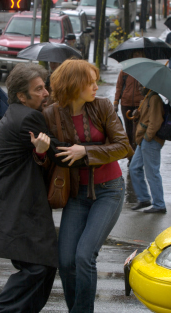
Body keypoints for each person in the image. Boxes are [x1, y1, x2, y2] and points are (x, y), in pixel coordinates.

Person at [0, 63, 84, 313]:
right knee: (38, 267)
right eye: (38, 89)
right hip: (15, 206)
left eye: (44, 86)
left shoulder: (16, 112)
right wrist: (92, 151)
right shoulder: (28, 117)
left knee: (43, 267)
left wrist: (40, 153)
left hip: (14, 203)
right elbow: (60, 153)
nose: (46, 92)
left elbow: (36, 154)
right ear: (21, 96)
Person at [43, 59, 133, 312]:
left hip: (109, 191)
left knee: (84, 256)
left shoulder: (102, 106)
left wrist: (86, 151)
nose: (96, 86)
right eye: (90, 82)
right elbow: (47, 155)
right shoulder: (51, 114)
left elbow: (125, 146)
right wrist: (41, 151)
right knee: (66, 260)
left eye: (96, 81)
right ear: (73, 84)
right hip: (76, 193)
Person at [129, 85, 167, 214]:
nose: (139, 88)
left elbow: (155, 121)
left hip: (150, 140)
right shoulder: (146, 99)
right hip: (143, 140)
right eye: (138, 85)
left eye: (141, 85)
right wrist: (137, 115)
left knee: (152, 173)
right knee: (134, 168)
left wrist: (147, 137)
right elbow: (145, 118)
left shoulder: (154, 99)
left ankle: (159, 204)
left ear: (149, 86)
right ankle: (144, 198)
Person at [114, 50, 146, 157]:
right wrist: (116, 102)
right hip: (126, 104)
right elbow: (119, 86)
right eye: (135, 54)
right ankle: (131, 156)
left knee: (136, 131)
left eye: (140, 53)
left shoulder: (145, 70)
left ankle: (136, 155)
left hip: (139, 105)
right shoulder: (125, 70)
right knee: (128, 131)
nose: (137, 55)